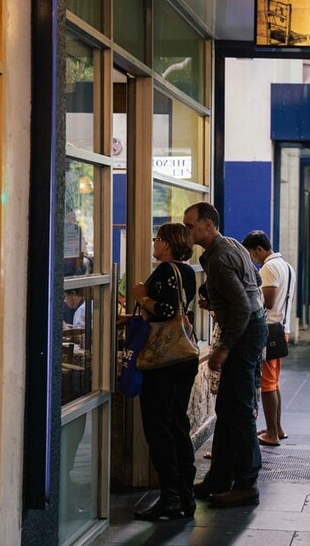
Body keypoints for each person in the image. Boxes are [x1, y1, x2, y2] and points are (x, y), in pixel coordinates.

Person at [184, 202, 267, 508]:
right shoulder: (232, 245)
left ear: (208, 225)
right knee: (228, 407)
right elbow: (253, 285)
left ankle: (246, 484)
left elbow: (244, 306)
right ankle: (219, 478)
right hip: (250, 328)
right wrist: (219, 303)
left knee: (240, 409)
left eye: (191, 225)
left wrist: (224, 347)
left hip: (244, 335)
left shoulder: (219, 257)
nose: (187, 230)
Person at [128, 222, 198, 520]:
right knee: (177, 422)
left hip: (164, 360)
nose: (154, 243)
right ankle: (185, 494)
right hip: (184, 357)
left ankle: (169, 495)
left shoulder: (165, 272)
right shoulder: (188, 272)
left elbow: (166, 311)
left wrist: (141, 296)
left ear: (167, 244)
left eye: (157, 239)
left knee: (158, 425)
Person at [242, 230, 297, 448]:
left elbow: (269, 301)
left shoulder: (269, 267)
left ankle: (272, 433)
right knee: (273, 382)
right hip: (281, 329)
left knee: (267, 384)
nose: (251, 259)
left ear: (259, 249)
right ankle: (277, 428)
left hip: (269, 330)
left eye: (251, 254)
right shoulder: (286, 266)